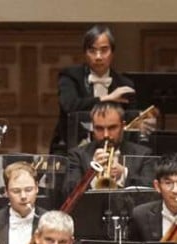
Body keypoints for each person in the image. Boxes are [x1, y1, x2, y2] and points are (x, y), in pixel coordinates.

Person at [50, 25, 143, 154]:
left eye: (104, 50)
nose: (98, 57)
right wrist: (107, 98)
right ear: (85, 53)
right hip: (69, 148)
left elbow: (130, 122)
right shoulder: (70, 76)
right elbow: (69, 105)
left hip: (114, 150)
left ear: (112, 52)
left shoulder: (124, 84)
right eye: (92, 51)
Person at [63, 101, 150, 195]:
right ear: (92, 127)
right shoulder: (77, 155)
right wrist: (92, 173)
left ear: (123, 126)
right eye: (99, 128)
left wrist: (124, 174)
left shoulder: (143, 155)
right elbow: (68, 192)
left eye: (112, 128)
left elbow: (151, 193)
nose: (106, 135)